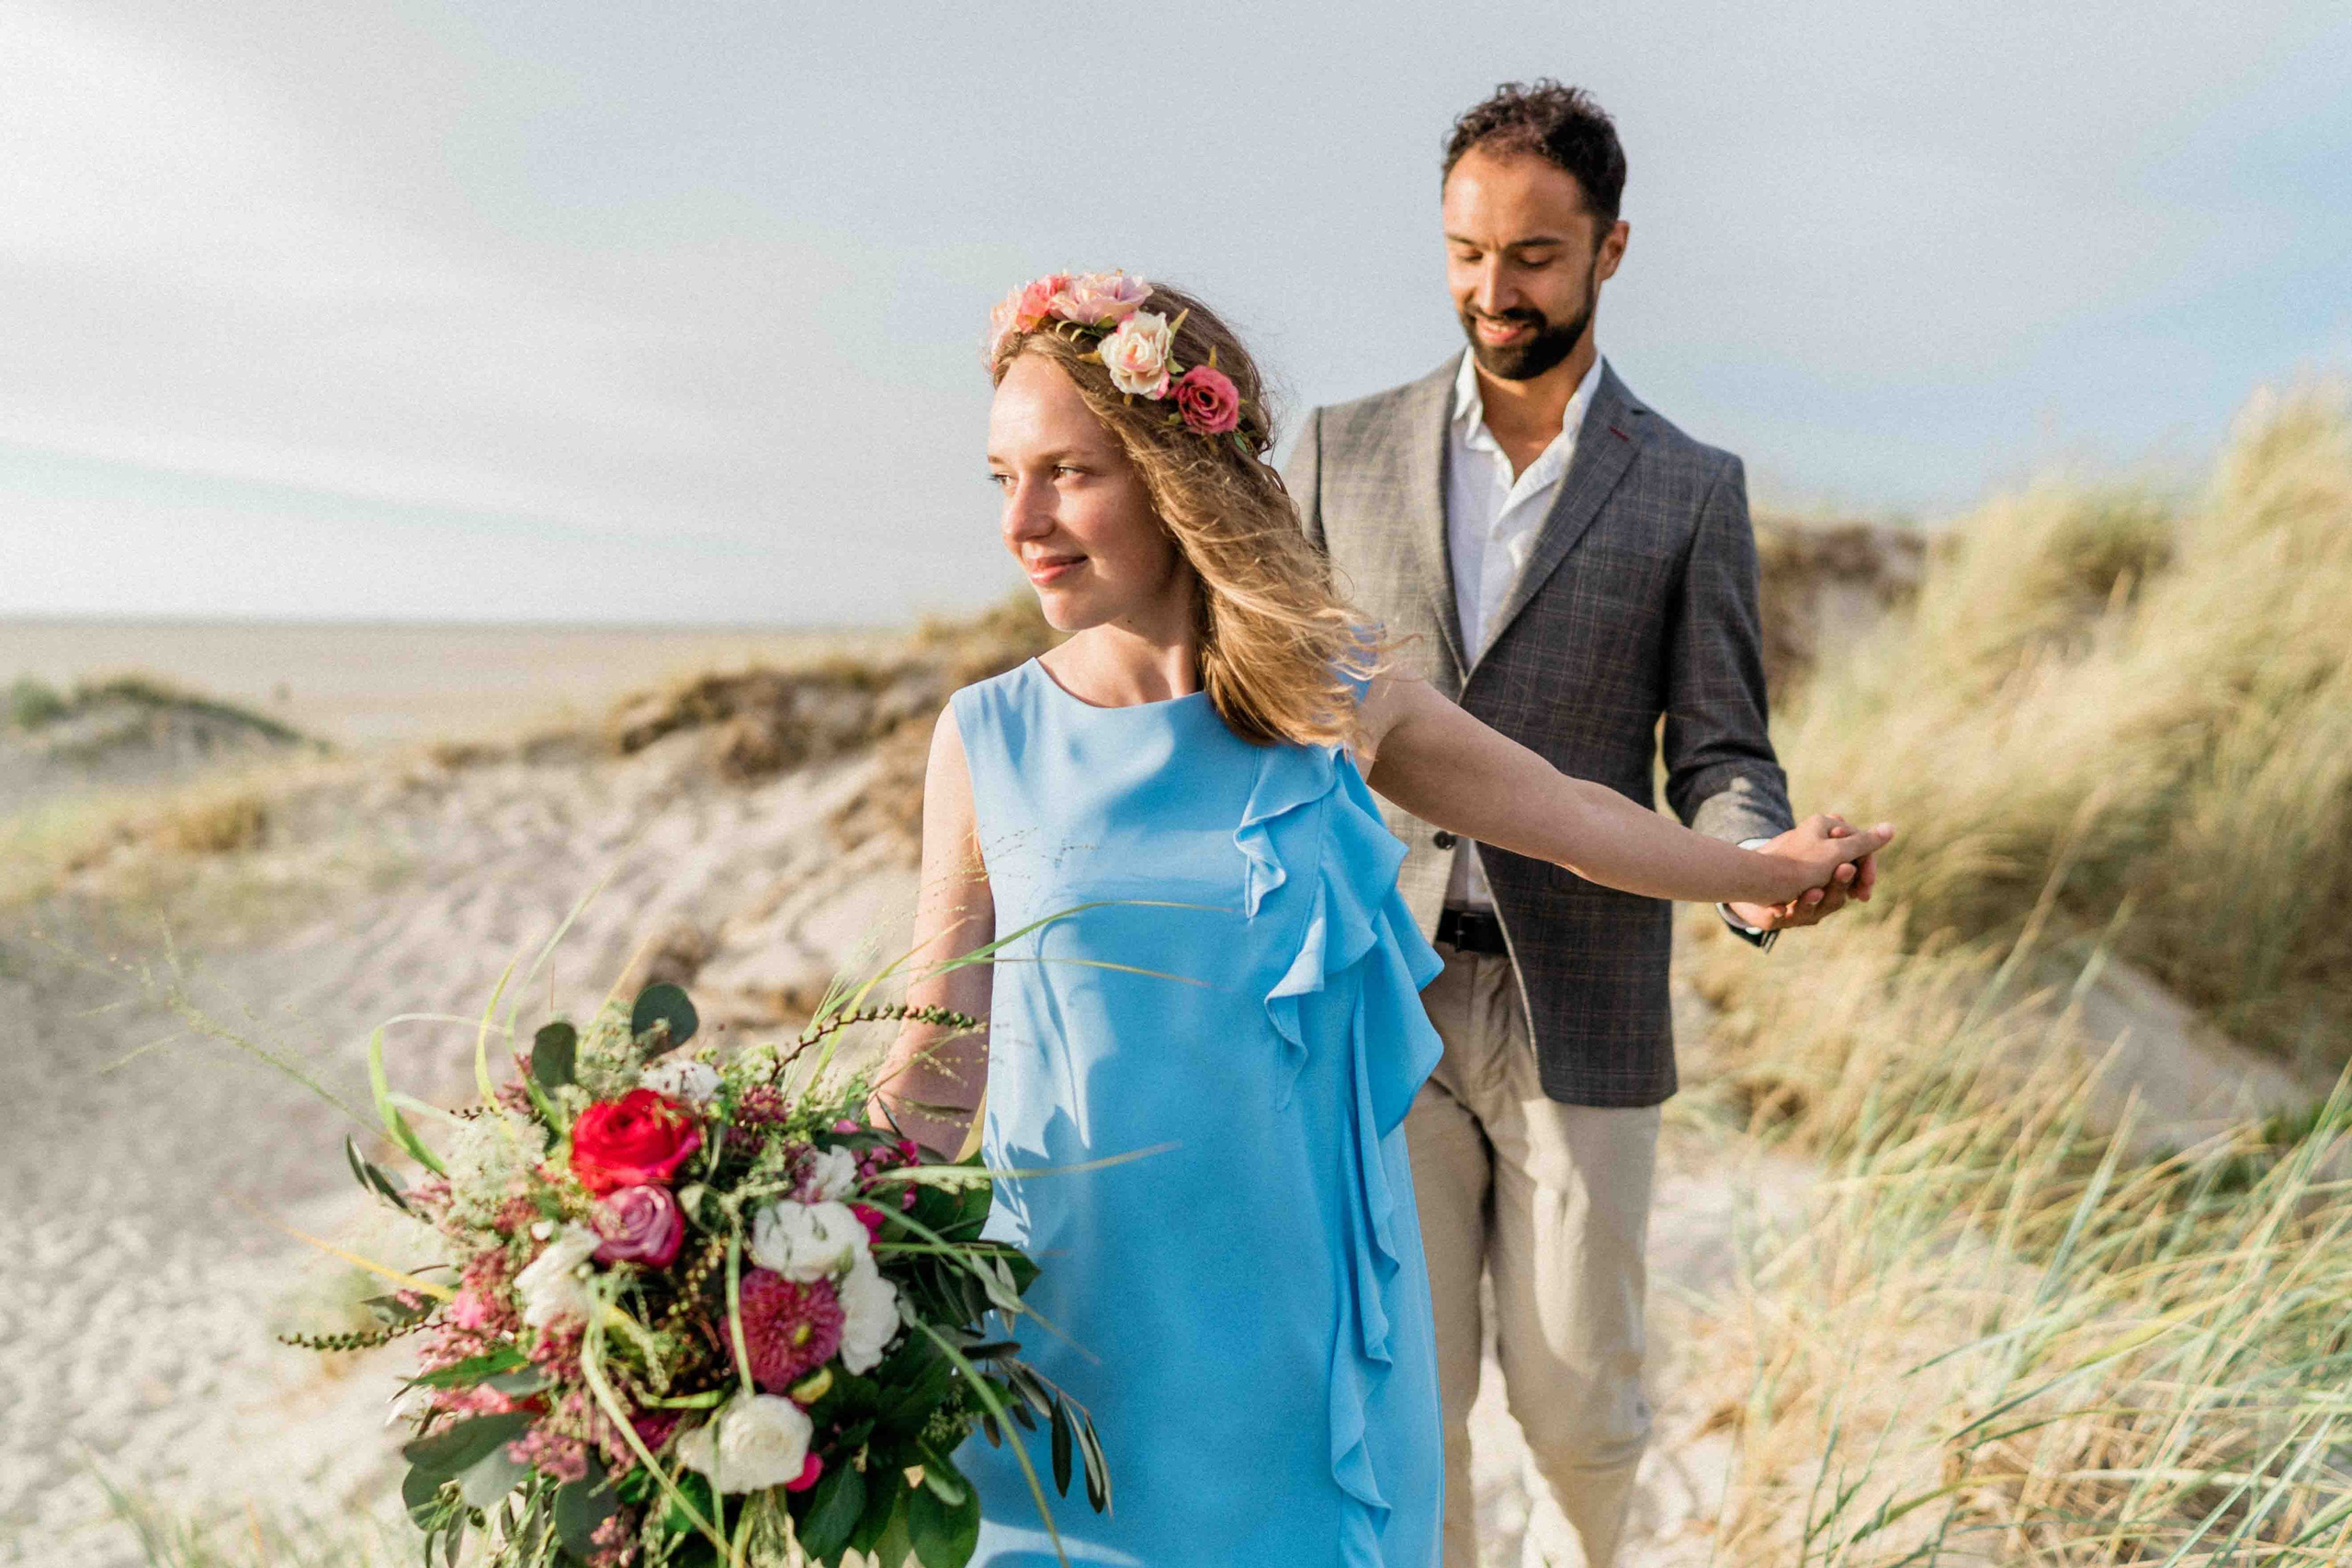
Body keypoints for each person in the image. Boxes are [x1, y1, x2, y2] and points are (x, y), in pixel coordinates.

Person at [872, 271, 1889, 1568]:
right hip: (1066, 1333)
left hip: (1304, 1328)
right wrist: (766, 1242)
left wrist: (1748, 870)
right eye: (1002, 477)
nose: (1024, 521)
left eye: (1069, 473)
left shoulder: (1335, 700)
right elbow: (933, 1057)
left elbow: (1568, 814)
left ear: (1180, 473)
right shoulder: (986, 738)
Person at [1284, 82, 1874, 1566]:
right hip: (1378, 993)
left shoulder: (1689, 487)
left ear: (1612, 251)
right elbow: (1274, 727)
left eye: (1536, 256)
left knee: (1576, 1407)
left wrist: (1756, 881)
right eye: (1467, 250)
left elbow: (1723, 750)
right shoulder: (1335, 452)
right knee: (1408, 1408)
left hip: (1587, 1002)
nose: (1496, 289)